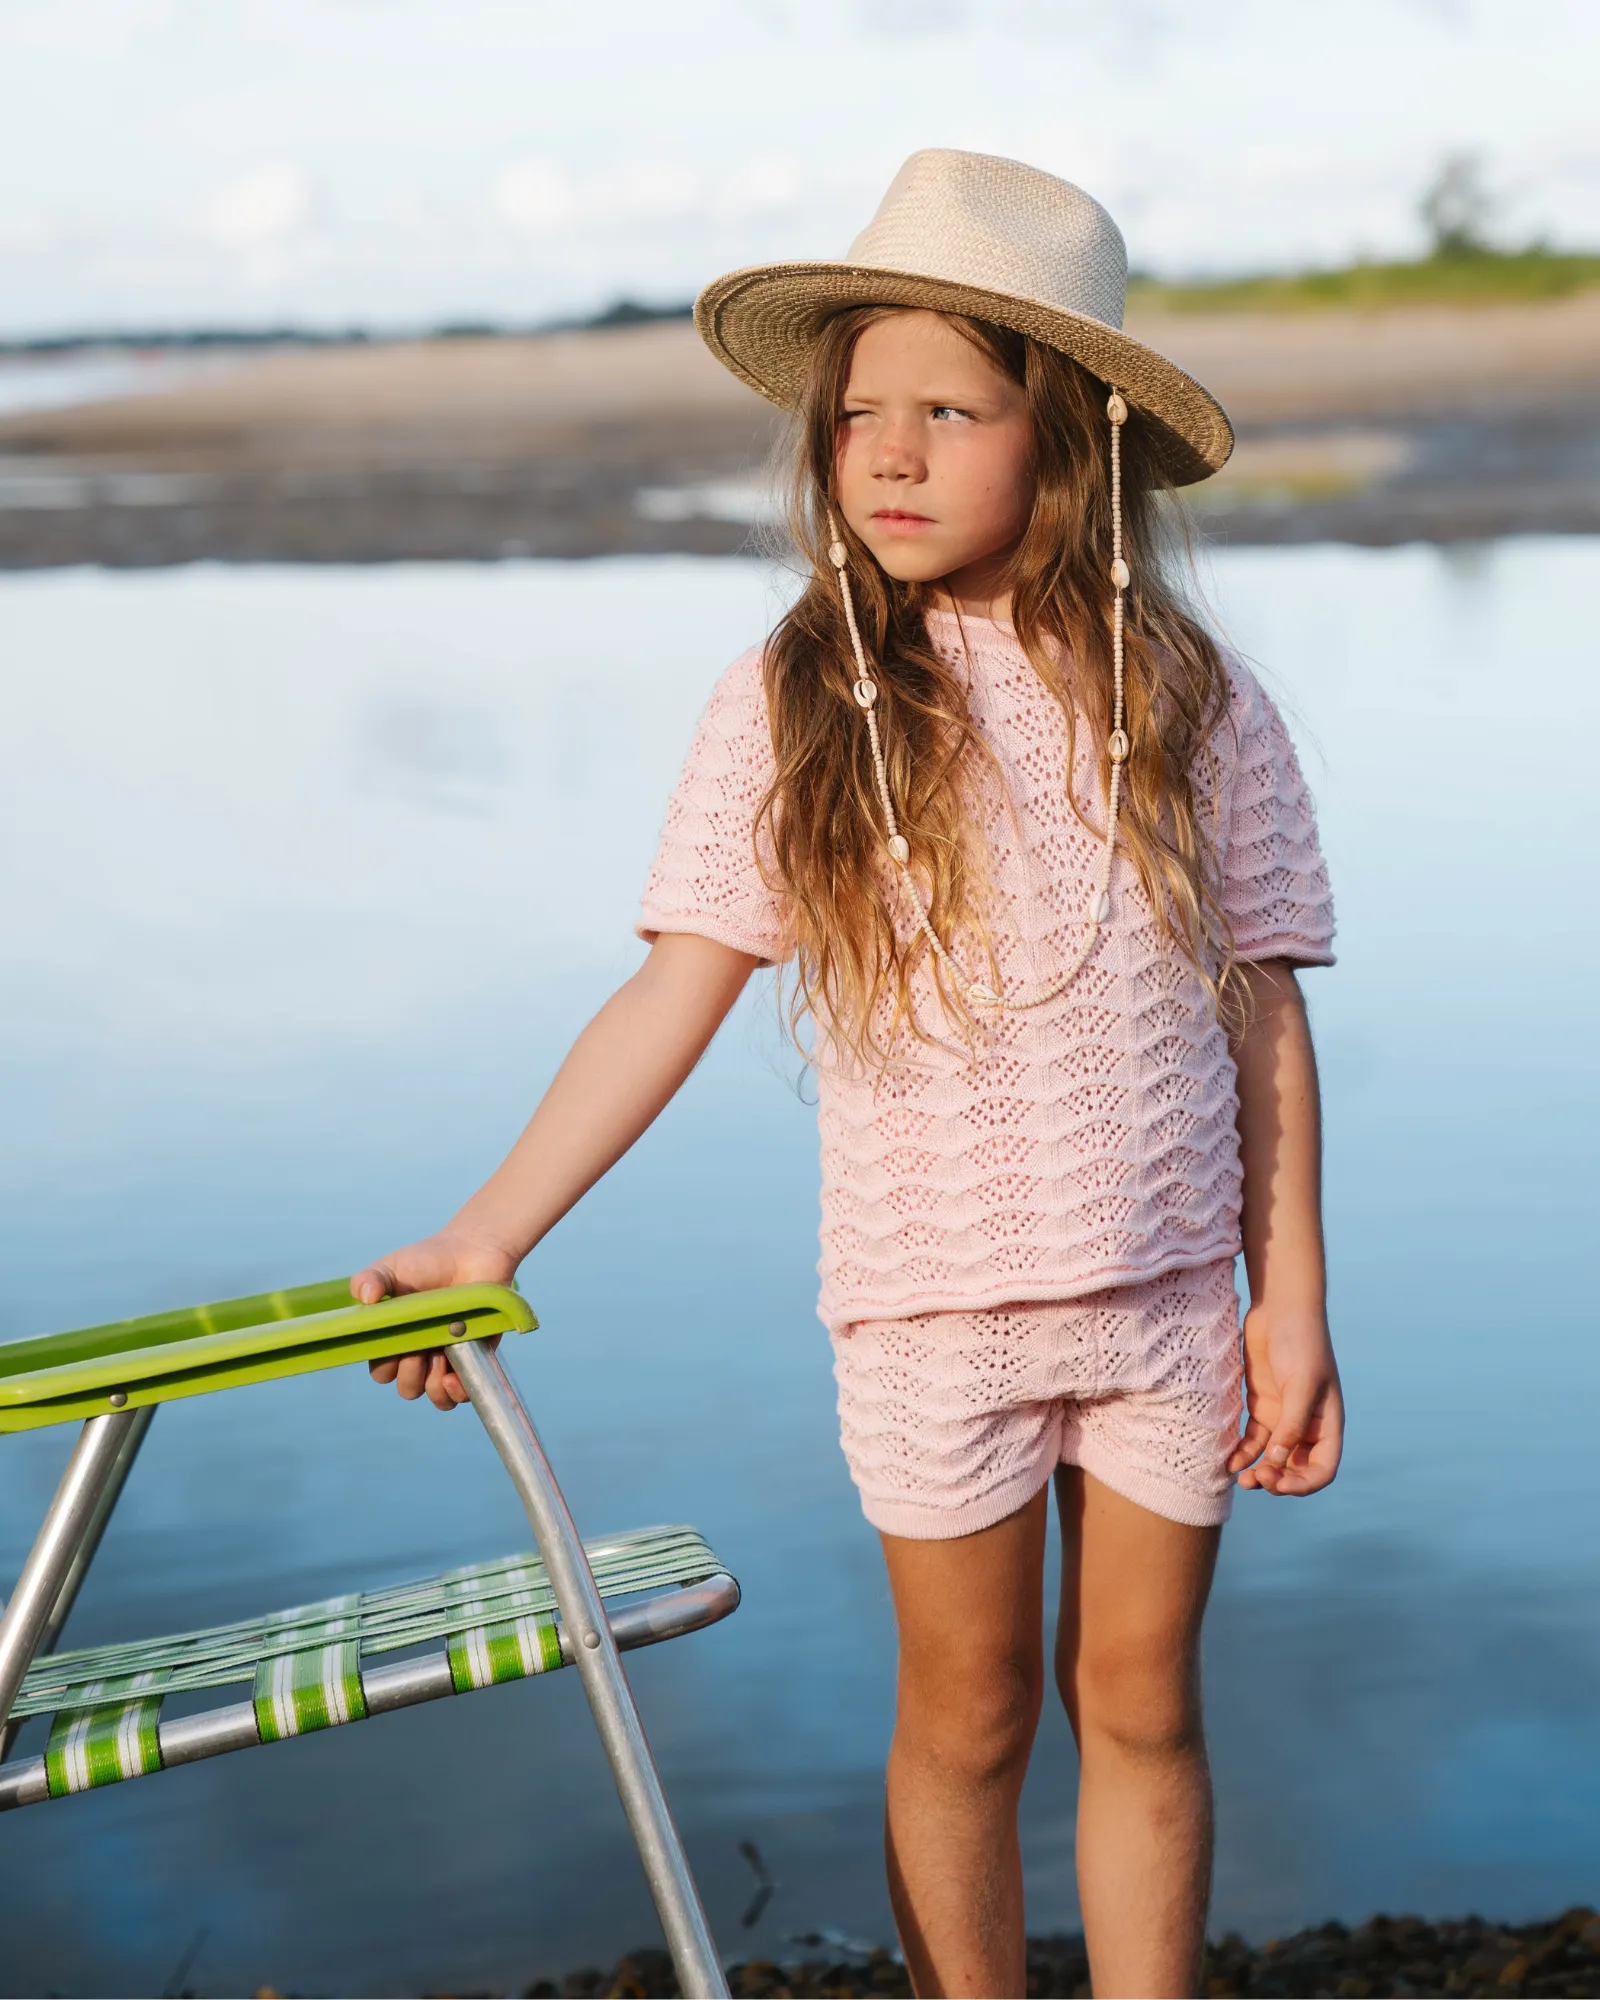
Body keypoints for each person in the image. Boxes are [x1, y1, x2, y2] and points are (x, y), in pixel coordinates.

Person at [355, 151, 1344, 1999]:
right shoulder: (794, 699)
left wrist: (1291, 1299)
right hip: (928, 1315)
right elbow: (670, 995)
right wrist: (487, 1231)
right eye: (857, 416)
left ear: (1069, 441)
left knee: (1139, 1704)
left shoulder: (1195, 705)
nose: (886, 455)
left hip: (1165, 1306)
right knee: (965, 1717)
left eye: (949, 412)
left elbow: (1263, 1015)